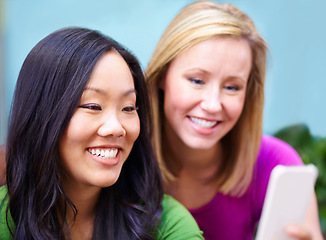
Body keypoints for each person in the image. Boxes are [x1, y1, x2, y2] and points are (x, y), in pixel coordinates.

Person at [0, 27, 203, 239]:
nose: (116, 127)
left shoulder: (165, 224)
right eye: (93, 106)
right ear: (41, 114)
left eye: (128, 108)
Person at [145, 1, 324, 240]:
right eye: (197, 81)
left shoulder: (275, 164)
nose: (212, 105)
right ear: (161, 76)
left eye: (231, 87)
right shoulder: (124, 157)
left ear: (248, 93)